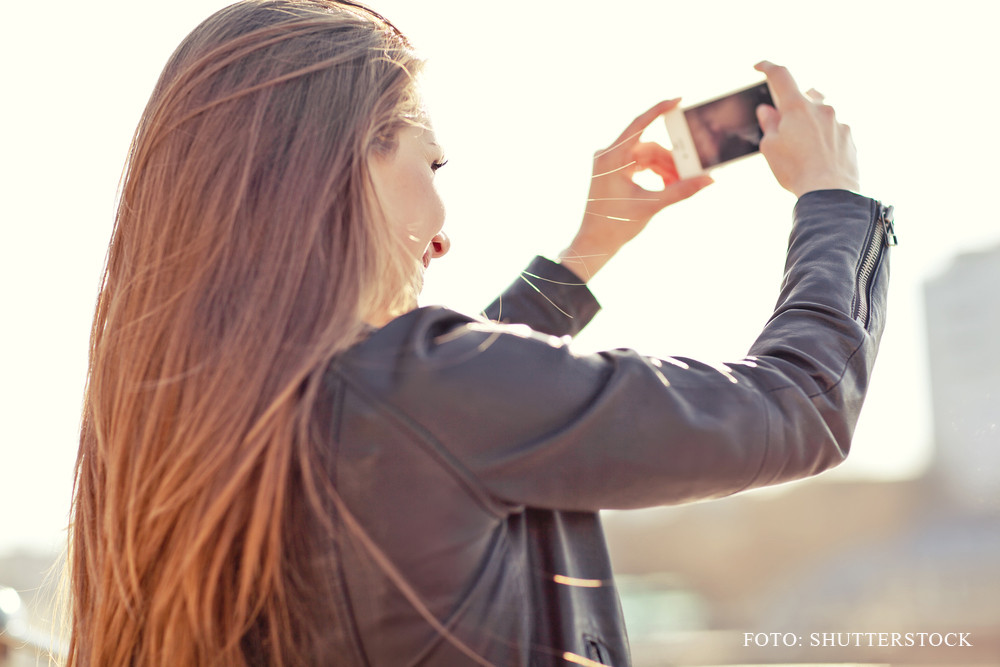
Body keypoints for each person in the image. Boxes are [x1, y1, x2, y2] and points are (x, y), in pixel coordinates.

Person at [67, 1, 894, 665]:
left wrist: (583, 253)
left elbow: (417, 441)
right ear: (337, 164)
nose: (442, 230)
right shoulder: (415, 393)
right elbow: (801, 406)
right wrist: (834, 201)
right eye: (430, 168)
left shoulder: (170, 425)